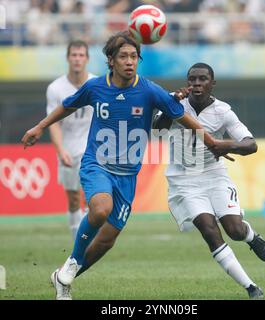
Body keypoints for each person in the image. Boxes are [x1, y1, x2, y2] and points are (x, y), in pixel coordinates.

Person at [22, 31, 231, 300]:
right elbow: (67, 106)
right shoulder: (95, 87)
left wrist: (212, 141)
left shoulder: (149, 90)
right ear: (111, 60)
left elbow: (181, 116)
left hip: (128, 176)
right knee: (100, 209)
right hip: (96, 164)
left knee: (106, 241)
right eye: (123, 56)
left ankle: (63, 278)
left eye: (134, 56)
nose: (130, 61)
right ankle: (73, 261)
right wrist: (40, 127)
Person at [153, 62, 265, 299]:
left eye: (202, 79)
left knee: (234, 230)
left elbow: (251, 144)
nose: (196, 84)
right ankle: (251, 287)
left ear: (212, 83)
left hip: (214, 175)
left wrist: (226, 145)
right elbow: (157, 129)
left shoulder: (223, 111)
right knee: (208, 229)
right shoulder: (174, 103)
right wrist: (171, 104)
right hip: (184, 179)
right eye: (192, 80)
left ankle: (250, 236)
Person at [46, 40, 95, 240]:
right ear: (68, 58)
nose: (77, 59)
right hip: (68, 148)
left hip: (92, 149)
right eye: (74, 55)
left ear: (87, 59)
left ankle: (88, 237)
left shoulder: (96, 83)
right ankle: (77, 237)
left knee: (92, 197)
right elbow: (54, 122)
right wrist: (60, 150)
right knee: (73, 198)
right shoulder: (55, 88)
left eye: (81, 55)